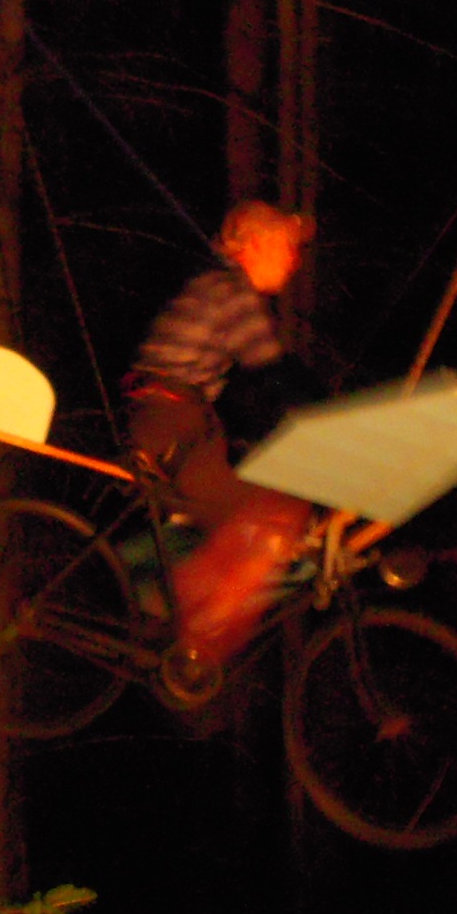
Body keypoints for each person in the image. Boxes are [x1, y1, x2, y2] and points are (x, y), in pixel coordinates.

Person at [124, 200, 320, 668]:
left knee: (258, 506)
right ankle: (185, 622)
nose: (294, 260)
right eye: (286, 247)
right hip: (170, 422)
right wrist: (340, 413)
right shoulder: (229, 290)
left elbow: (254, 391)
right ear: (256, 245)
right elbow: (274, 373)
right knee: (278, 515)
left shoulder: (219, 289)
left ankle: (179, 608)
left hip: (179, 421)